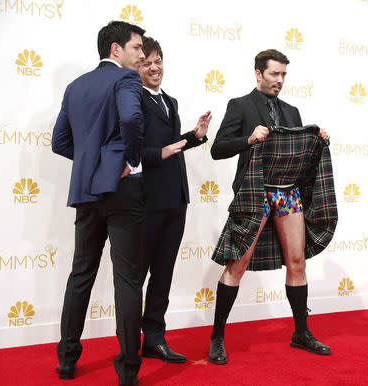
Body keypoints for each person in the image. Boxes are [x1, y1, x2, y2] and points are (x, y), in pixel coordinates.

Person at [207, 49, 336, 365]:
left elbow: (301, 156)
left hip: (287, 194)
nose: (279, 80)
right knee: (237, 265)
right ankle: (217, 338)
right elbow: (218, 149)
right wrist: (249, 139)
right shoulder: (240, 106)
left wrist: (318, 139)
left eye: (283, 75)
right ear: (258, 73)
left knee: (297, 262)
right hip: (254, 194)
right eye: (274, 74)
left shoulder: (292, 111)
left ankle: (301, 333)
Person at [52, 21, 146, 385]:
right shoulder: (126, 79)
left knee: (80, 275)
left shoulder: (76, 86)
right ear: (116, 49)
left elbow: (60, 142)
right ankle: (126, 373)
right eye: (137, 47)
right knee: (127, 281)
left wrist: (94, 162)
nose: (141, 54)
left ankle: (66, 361)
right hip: (121, 192)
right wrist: (127, 161)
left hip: (87, 191)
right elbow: (132, 119)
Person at [135, 36, 212, 363]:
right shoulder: (132, 100)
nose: (154, 68)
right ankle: (128, 345)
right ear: (135, 66)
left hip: (175, 199)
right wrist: (158, 154)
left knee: (163, 273)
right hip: (146, 199)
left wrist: (194, 136)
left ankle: (154, 339)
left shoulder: (171, 100)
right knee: (135, 276)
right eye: (146, 62)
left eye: (158, 61)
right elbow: (130, 150)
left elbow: (171, 144)